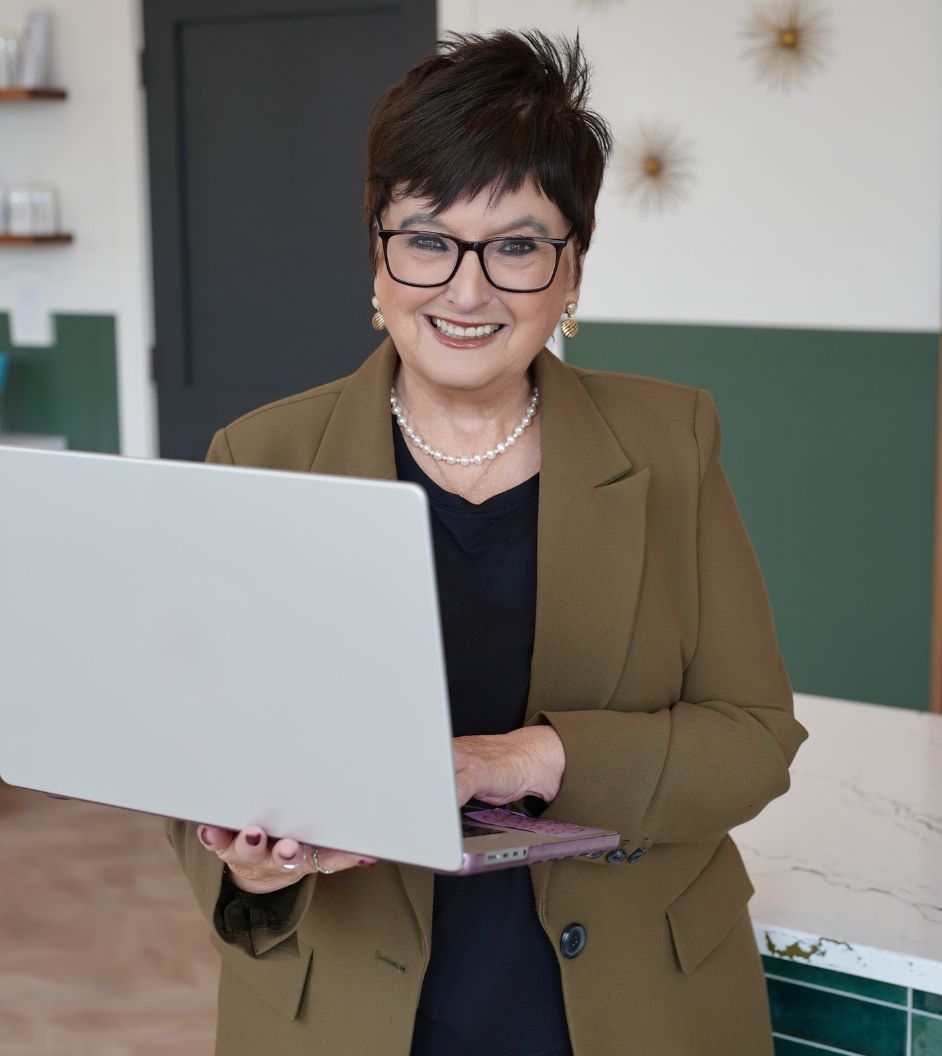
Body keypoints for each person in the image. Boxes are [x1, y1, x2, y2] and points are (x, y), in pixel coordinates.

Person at [167, 30, 808, 1056]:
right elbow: (199, 759)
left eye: (517, 245)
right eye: (427, 239)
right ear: (377, 252)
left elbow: (752, 743)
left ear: (573, 271)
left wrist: (513, 760)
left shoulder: (671, 442)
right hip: (347, 1011)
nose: (467, 292)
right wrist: (251, 863)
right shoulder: (260, 453)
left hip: (635, 1006)